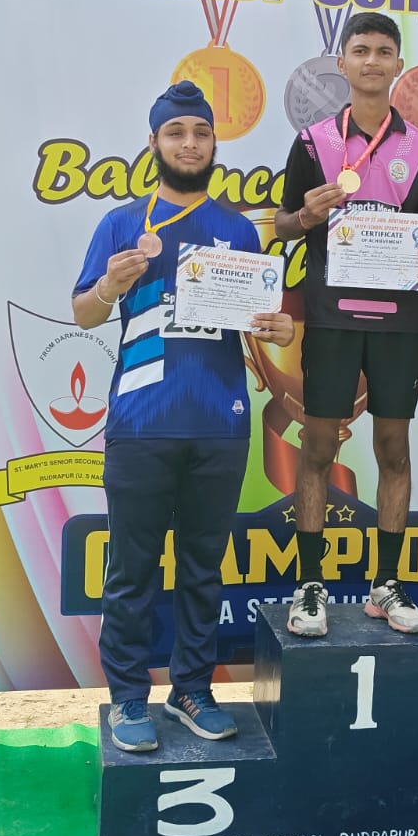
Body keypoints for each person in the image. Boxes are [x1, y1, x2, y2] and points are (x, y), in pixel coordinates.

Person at [73, 81, 294, 753]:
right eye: (176, 133)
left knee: (203, 569)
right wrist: (109, 284)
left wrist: (280, 329)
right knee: (131, 571)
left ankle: (193, 689)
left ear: (214, 143)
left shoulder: (238, 229)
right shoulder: (121, 224)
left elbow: (254, 321)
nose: (189, 144)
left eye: (200, 133)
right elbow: (83, 313)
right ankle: (127, 697)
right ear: (154, 143)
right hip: (140, 422)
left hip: (221, 421)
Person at [274, 11, 418, 638]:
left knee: (394, 449)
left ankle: (387, 585)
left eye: (383, 51)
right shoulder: (313, 142)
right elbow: (283, 224)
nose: (372, 61)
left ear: (399, 64)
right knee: (319, 447)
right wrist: (306, 216)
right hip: (332, 319)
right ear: (342, 62)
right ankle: (309, 587)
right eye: (361, 50)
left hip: (399, 323)